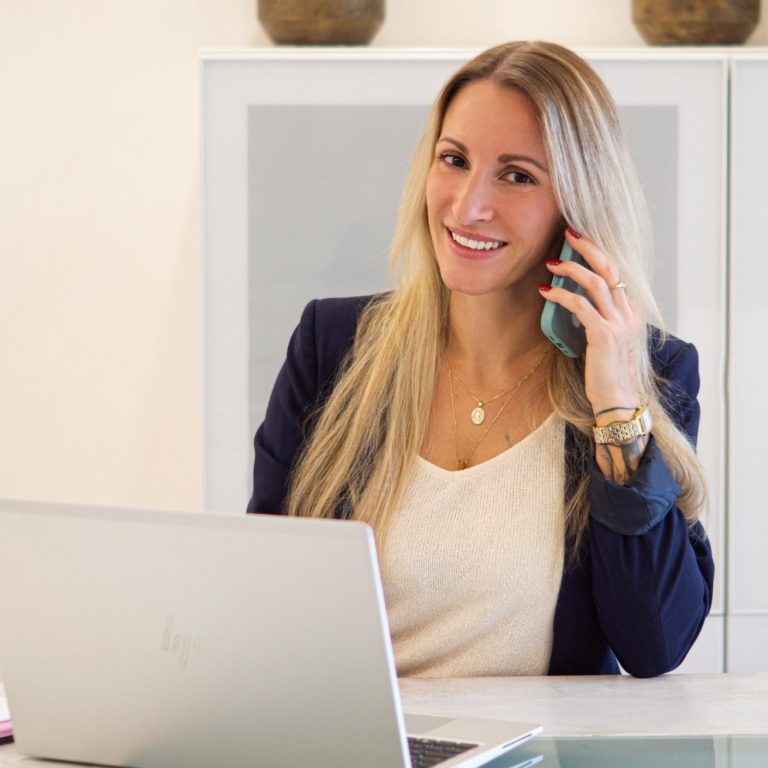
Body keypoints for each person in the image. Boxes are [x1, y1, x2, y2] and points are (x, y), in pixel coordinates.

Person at [247, 41, 714, 678]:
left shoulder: (650, 374)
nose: (468, 206)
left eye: (517, 175)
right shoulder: (332, 344)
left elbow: (653, 643)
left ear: (577, 205)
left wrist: (615, 406)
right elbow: (263, 605)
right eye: (454, 160)